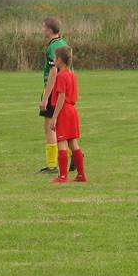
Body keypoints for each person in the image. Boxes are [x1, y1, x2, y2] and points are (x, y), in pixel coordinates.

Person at [48, 45, 86, 184]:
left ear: (59, 60)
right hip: (72, 111)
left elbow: (61, 97)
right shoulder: (72, 75)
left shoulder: (61, 76)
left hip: (64, 111)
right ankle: (81, 175)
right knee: (73, 142)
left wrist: (54, 117)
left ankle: (63, 177)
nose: (54, 60)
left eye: (55, 58)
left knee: (61, 142)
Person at [37, 17, 69, 173]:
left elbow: (53, 72)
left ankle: (52, 165)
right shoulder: (63, 43)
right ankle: (72, 157)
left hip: (54, 90)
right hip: (64, 89)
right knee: (62, 126)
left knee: (50, 127)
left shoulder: (52, 47)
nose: (42, 29)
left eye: (43, 27)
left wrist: (45, 98)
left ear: (49, 30)